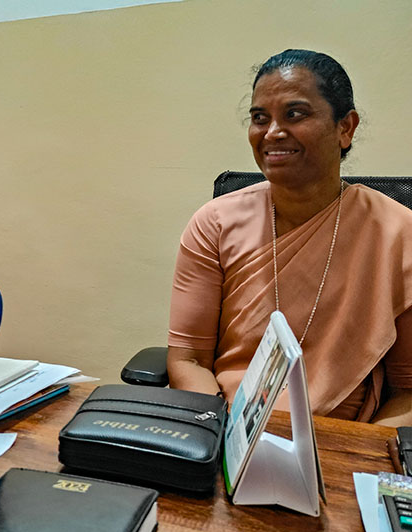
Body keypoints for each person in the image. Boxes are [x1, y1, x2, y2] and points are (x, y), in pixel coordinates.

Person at [168, 49, 412, 424]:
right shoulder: (214, 223)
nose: (273, 132)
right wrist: (224, 433)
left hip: (343, 433)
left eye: (295, 114)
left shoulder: (398, 231)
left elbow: (408, 388)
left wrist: (353, 459)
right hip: (229, 424)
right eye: (259, 118)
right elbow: (188, 360)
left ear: (345, 128)